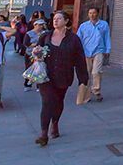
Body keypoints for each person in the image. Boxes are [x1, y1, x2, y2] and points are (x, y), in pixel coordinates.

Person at [32, 10, 88, 146]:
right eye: (54, 19)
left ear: (66, 21)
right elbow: (36, 52)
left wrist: (83, 79)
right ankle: (43, 134)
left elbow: (79, 59)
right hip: (46, 76)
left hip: (64, 75)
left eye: (59, 19)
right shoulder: (45, 36)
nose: (55, 21)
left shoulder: (74, 39)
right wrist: (36, 55)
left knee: (58, 101)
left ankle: (55, 122)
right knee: (47, 102)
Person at [76, 7, 111, 103]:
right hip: (86, 52)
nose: (92, 15)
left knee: (96, 71)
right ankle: (86, 96)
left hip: (99, 51)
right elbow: (78, 39)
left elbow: (107, 37)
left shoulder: (104, 25)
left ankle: (96, 90)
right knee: (86, 74)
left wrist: (108, 49)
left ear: (98, 14)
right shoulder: (83, 26)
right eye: (90, 13)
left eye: (94, 13)